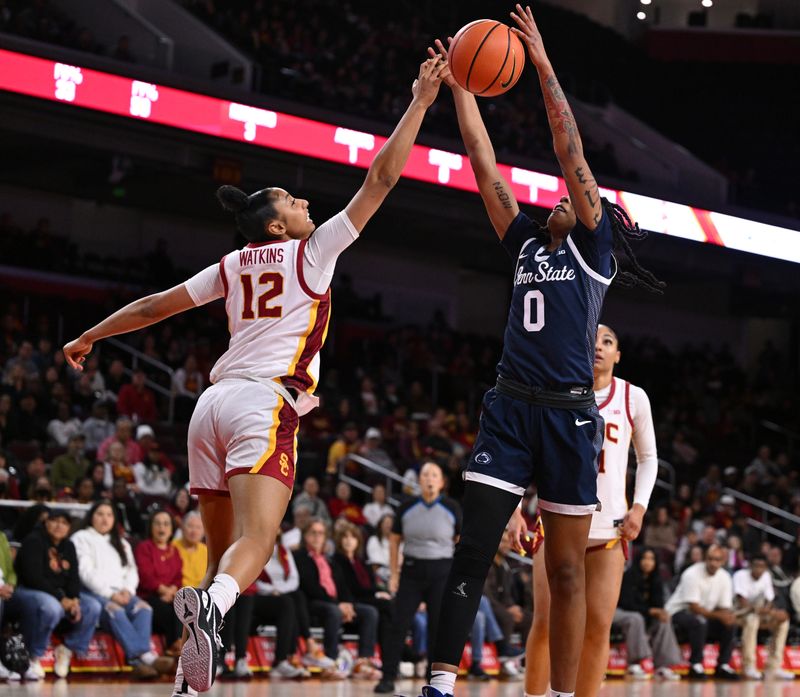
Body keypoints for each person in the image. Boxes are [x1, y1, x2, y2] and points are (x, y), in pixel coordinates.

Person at [62, 56, 446, 696]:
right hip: (262, 406)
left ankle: (191, 676)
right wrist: (421, 103)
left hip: (207, 408)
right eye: (292, 201)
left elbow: (155, 305)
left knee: (221, 564)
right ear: (278, 225)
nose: (304, 202)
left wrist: (89, 335)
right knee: (258, 545)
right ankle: (209, 613)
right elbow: (380, 178)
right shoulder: (313, 251)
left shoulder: (233, 263)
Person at [419, 5, 663, 696]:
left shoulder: (593, 252)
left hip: (567, 416)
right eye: (560, 195)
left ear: (598, 220)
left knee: (564, 573)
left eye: (576, 197)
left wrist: (544, 63)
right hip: (510, 408)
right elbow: (482, 159)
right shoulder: (525, 239)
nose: (561, 195)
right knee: (473, 547)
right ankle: (439, 680)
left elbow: (569, 150)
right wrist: (462, 83)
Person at [523, 324, 659, 695]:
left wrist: (640, 508)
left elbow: (648, 459)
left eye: (608, 341)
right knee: (546, 621)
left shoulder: (634, 397)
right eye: (592, 339)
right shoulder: (554, 389)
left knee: (598, 627)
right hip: (556, 522)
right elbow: (528, 452)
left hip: (609, 530)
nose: (598, 346)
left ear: (618, 354)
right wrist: (518, 507)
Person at [375, 462, 461, 693]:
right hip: (411, 571)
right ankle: (387, 676)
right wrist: (394, 574)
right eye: (425, 475)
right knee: (398, 624)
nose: (430, 479)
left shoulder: (453, 508)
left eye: (434, 475)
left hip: (442, 572)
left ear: (442, 482)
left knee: (437, 628)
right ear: (419, 481)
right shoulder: (406, 507)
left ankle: (433, 680)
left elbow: (459, 543)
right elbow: (394, 541)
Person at [71, 501, 173, 679]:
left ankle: (141, 661)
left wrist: (128, 590)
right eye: (100, 514)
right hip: (94, 593)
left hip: (122, 593)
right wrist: (111, 595)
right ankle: (141, 659)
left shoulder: (121, 542)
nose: (105, 519)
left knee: (144, 608)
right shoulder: (80, 538)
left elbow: (131, 570)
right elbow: (85, 572)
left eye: (109, 515)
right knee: (115, 610)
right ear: (91, 517)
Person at [8, 508, 102, 680]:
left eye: (64, 523)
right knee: (52, 608)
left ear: (69, 527)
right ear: (46, 523)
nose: (59, 526)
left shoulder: (69, 545)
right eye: (55, 521)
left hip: (61, 594)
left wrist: (73, 599)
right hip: (29, 591)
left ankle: (67, 648)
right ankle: (34, 656)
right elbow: (33, 578)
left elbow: (74, 577)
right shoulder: (33, 540)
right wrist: (61, 599)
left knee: (93, 606)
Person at [294, 518, 380, 678]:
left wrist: (348, 604)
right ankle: (331, 662)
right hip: (312, 603)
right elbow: (310, 587)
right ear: (305, 536)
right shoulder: (299, 557)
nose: (317, 537)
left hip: (335, 604)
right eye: (313, 533)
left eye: (321, 533)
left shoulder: (330, 560)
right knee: (334, 611)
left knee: (369, 612)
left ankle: (363, 661)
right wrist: (338, 605)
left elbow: (343, 587)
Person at [252, 532, 327, 677]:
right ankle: (294, 654)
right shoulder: (255, 548)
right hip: (260, 595)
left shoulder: (283, 551)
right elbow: (252, 579)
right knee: (289, 602)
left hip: (281, 594)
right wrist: (272, 590)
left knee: (296, 597)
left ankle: (294, 655)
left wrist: (279, 591)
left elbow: (294, 579)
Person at [665, 544, 738, 680]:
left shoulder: (725, 577)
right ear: (705, 558)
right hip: (678, 612)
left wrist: (727, 616)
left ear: (723, 561)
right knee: (699, 621)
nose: (713, 563)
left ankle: (723, 665)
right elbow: (694, 607)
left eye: (717, 560)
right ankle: (695, 664)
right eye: (710, 559)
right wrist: (720, 615)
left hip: (705, 614)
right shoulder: (691, 573)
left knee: (730, 624)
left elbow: (724, 607)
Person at [613, 548, 682, 681]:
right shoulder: (628, 576)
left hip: (643, 613)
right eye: (645, 558)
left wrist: (660, 612)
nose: (647, 562)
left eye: (651, 559)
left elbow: (658, 604)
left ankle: (662, 666)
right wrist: (650, 611)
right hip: (620, 611)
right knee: (635, 618)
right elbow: (626, 603)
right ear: (639, 560)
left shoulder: (657, 579)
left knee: (664, 619)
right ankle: (634, 664)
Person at [332, 521, 389, 680]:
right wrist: (377, 594)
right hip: (353, 600)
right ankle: (365, 659)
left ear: (358, 541)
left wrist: (379, 592)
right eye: (345, 537)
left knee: (385, 616)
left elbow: (372, 584)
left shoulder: (362, 562)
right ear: (339, 540)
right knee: (381, 608)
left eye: (352, 537)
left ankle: (389, 661)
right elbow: (351, 588)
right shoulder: (337, 560)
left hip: (366, 599)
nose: (349, 540)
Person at [732, 554, 794, 681]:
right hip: (738, 613)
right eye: (756, 566)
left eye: (762, 567)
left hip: (759, 613)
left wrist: (774, 613)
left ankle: (774, 667)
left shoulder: (766, 576)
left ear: (766, 567)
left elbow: (769, 600)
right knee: (751, 620)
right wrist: (765, 611)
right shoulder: (740, 575)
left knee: (783, 622)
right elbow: (742, 602)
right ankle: (748, 666)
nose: (759, 570)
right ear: (750, 566)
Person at [135, 510, 184, 656]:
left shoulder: (174, 550)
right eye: (157, 524)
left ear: (171, 529)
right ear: (151, 527)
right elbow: (145, 576)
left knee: (183, 606)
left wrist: (172, 590)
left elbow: (178, 577)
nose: (161, 528)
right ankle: (174, 646)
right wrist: (164, 591)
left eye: (166, 524)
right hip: (149, 596)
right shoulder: (144, 547)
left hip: (171, 597)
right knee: (167, 609)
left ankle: (179, 646)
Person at [174, 511, 208, 589]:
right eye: (190, 526)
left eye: (198, 527)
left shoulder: (207, 551)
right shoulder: (172, 548)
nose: (194, 531)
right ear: (182, 527)